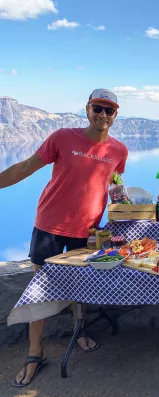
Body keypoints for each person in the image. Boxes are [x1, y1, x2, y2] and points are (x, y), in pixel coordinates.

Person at [1, 89, 128, 387]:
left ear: (115, 115)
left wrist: (129, 214)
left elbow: (116, 188)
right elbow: (25, 167)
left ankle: (79, 331)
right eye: (98, 108)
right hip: (50, 227)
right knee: (39, 290)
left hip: (88, 231)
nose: (103, 115)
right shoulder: (62, 137)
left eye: (109, 111)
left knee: (80, 287)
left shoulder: (119, 151)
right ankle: (35, 353)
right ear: (87, 109)